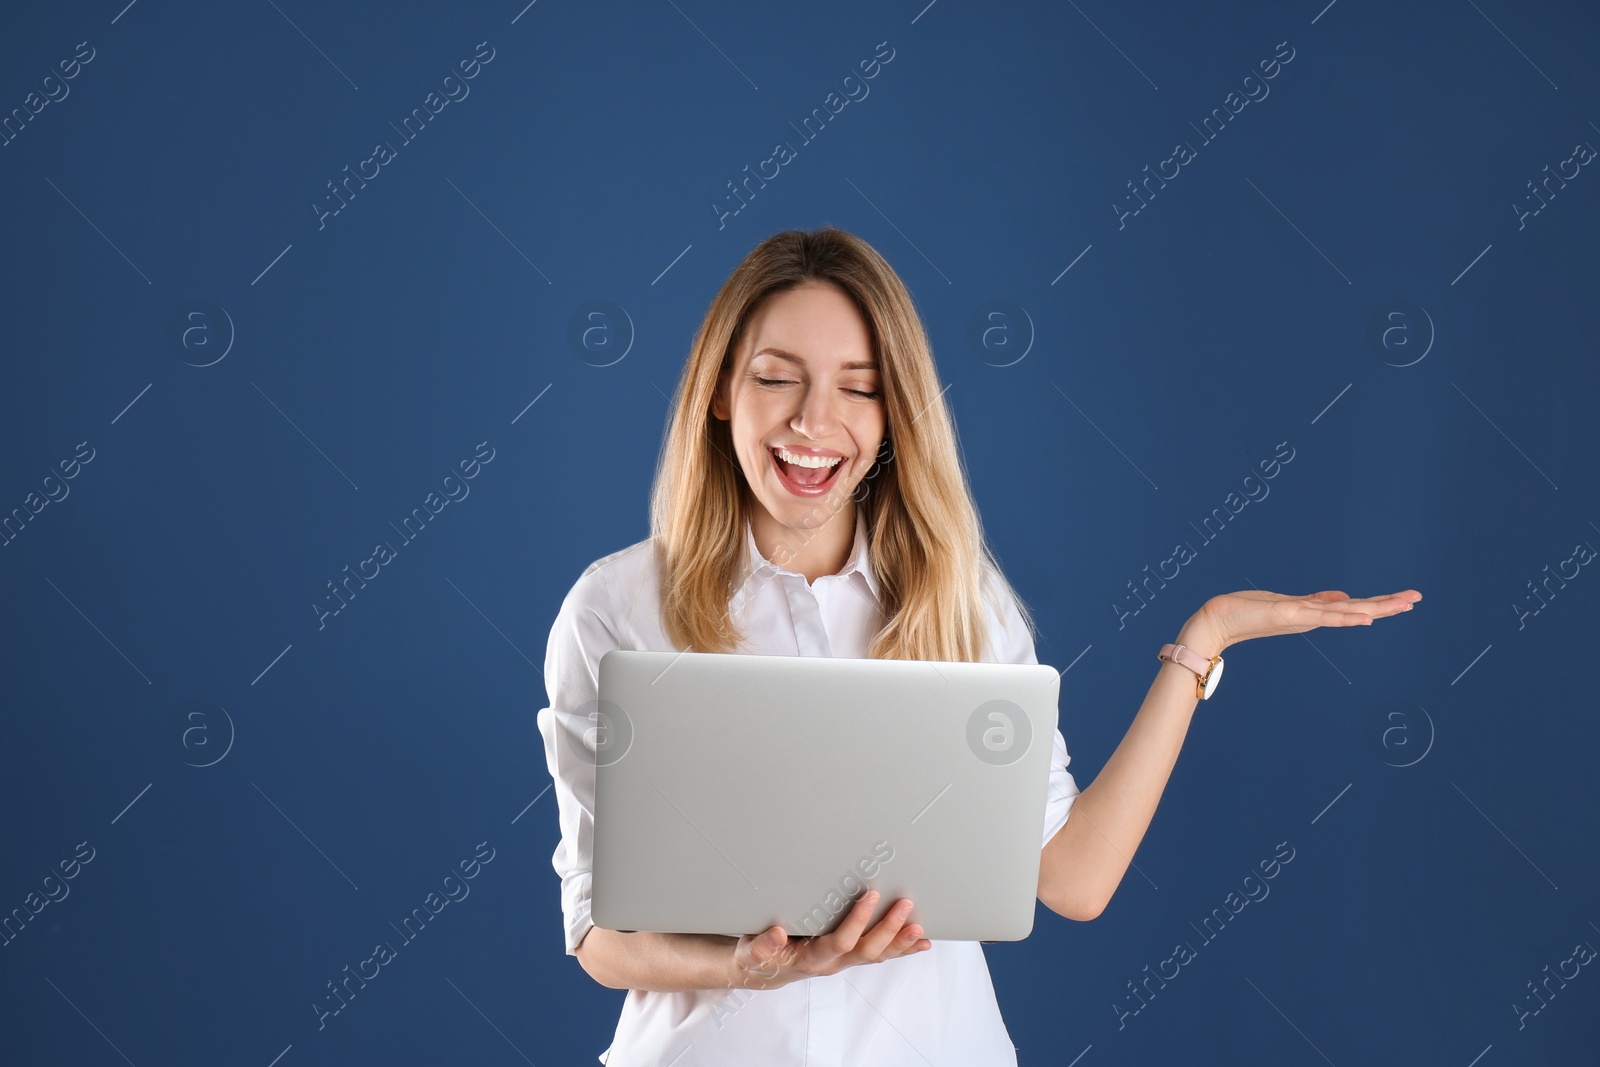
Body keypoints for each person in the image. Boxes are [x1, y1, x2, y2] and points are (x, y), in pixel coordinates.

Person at [535, 226, 1419, 1066]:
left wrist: (1205, 639)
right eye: (777, 378)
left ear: (893, 416)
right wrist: (747, 966)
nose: (815, 420)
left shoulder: (961, 604)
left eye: (860, 385)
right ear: (722, 389)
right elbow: (599, 937)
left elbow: (1072, 879)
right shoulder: (614, 609)